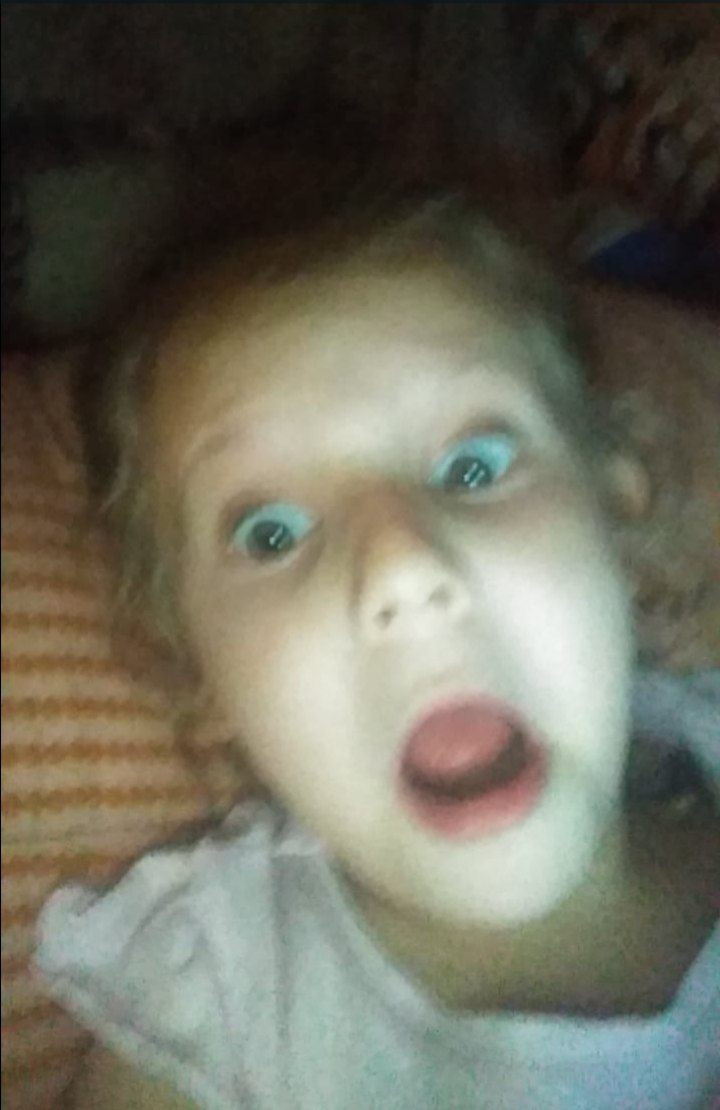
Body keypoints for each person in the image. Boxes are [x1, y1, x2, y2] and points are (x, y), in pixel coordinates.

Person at [34, 193, 719, 1109]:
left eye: (474, 467)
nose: (401, 569)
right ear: (199, 672)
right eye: (271, 533)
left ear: (613, 516)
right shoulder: (214, 1003)